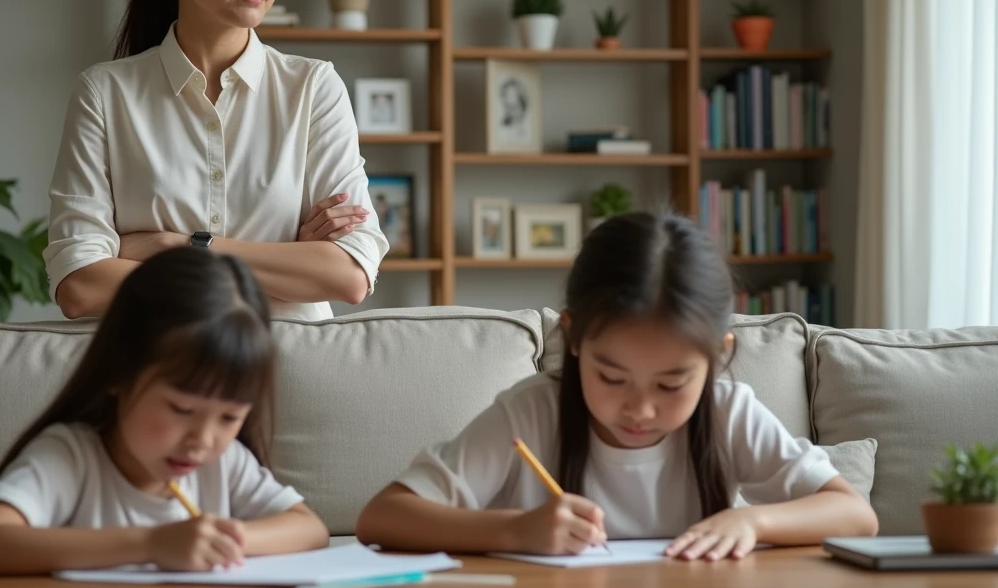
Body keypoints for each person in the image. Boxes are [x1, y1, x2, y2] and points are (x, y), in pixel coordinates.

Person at [356, 211, 878, 560]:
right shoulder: (532, 413)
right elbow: (383, 517)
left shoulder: (727, 412)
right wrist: (515, 530)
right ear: (573, 338)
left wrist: (753, 523)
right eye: (611, 377)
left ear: (718, 356)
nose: (640, 409)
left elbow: (855, 514)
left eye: (671, 384)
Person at [44, 0, 388, 322]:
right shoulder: (104, 94)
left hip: (293, 358)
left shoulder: (313, 87)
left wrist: (178, 247)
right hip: (156, 359)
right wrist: (285, 260)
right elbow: (81, 286)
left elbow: (349, 275)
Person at [0, 247, 328, 575]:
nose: (202, 440)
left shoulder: (224, 465)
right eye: (182, 408)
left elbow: (310, 529)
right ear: (120, 372)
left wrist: (223, 540)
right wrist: (151, 543)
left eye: (229, 417)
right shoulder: (71, 458)